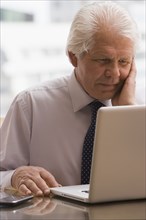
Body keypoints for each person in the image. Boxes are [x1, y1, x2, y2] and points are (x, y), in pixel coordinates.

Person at [0, 1, 141, 196]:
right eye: (103, 60)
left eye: (124, 61)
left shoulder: (139, 107)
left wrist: (127, 115)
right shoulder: (30, 105)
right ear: (73, 56)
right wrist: (15, 176)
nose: (115, 73)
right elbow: (2, 173)